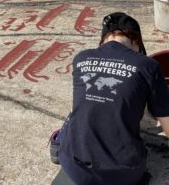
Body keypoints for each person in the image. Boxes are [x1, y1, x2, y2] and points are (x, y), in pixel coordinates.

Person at [57, 12, 169, 185]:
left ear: (103, 40)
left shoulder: (81, 58)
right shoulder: (148, 66)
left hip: (73, 167)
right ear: (137, 42)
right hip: (123, 175)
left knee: (74, 114)